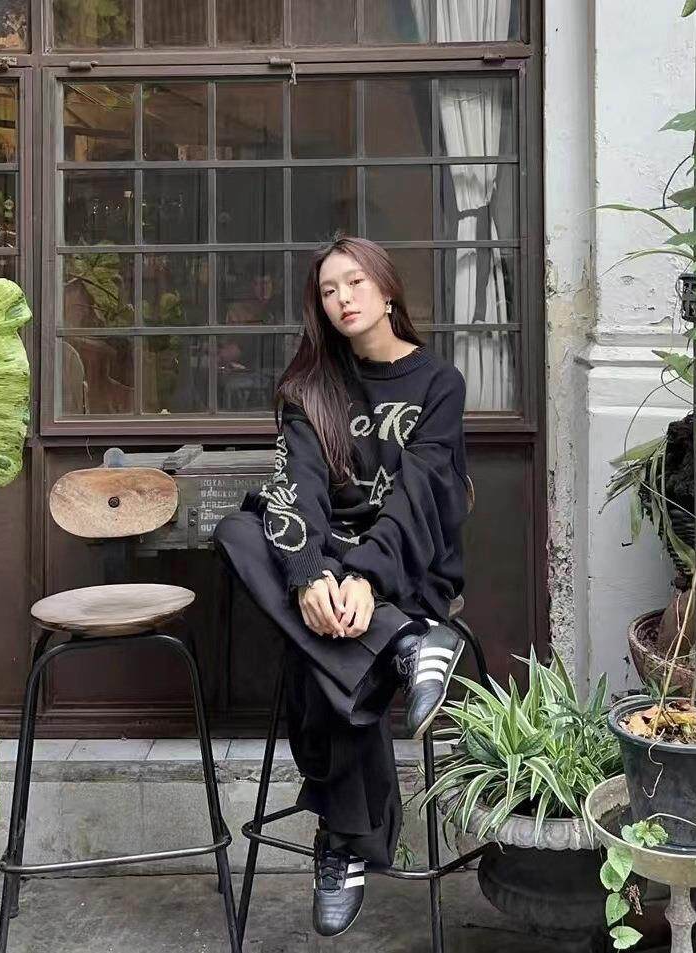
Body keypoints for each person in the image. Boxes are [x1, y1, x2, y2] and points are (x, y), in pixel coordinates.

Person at [212, 235, 469, 938]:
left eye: (354, 282)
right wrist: (310, 575)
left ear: (386, 289)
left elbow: (420, 499)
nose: (342, 299)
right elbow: (297, 492)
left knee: (316, 657)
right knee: (239, 531)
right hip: (331, 574)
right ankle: (405, 646)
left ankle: (344, 839)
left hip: (406, 568)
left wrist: (364, 576)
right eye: (328, 291)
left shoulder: (438, 384)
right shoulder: (310, 388)